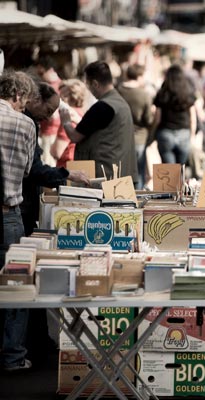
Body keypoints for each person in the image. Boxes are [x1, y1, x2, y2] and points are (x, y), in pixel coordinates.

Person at [0, 70, 38, 372]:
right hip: (7, 216)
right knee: (14, 285)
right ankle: (12, 356)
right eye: (24, 100)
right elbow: (27, 170)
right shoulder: (25, 124)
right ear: (17, 95)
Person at [22, 82, 90, 235]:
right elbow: (35, 168)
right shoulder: (26, 122)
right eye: (48, 110)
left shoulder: (31, 121)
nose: (48, 117)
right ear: (36, 99)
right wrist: (67, 174)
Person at [59, 61, 137, 184]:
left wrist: (66, 121)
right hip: (121, 174)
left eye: (88, 85)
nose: (89, 90)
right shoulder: (121, 103)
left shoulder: (102, 107)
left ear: (95, 84)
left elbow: (75, 136)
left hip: (104, 176)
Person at [151, 64, 196, 166]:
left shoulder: (162, 93)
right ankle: (179, 182)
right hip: (184, 133)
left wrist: (152, 133)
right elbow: (193, 117)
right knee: (181, 169)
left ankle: (172, 182)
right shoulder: (188, 93)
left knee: (168, 171)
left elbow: (157, 118)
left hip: (165, 133)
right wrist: (192, 136)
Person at [117, 64, 154, 189]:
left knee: (121, 173)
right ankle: (138, 202)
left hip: (120, 137)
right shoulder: (143, 94)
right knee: (138, 174)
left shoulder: (117, 91)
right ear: (139, 76)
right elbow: (148, 119)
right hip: (139, 138)